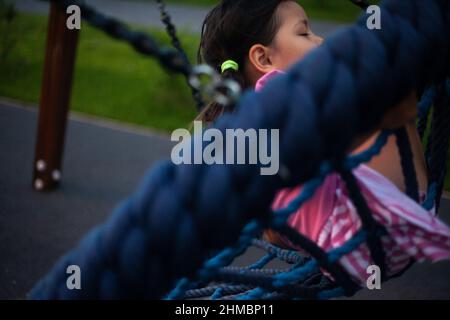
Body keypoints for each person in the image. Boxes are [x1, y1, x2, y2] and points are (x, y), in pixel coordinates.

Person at [196, 0, 450, 286]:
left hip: (344, 253)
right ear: (264, 59)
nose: (319, 40)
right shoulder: (279, 89)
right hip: (377, 225)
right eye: (304, 34)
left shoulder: (250, 116)